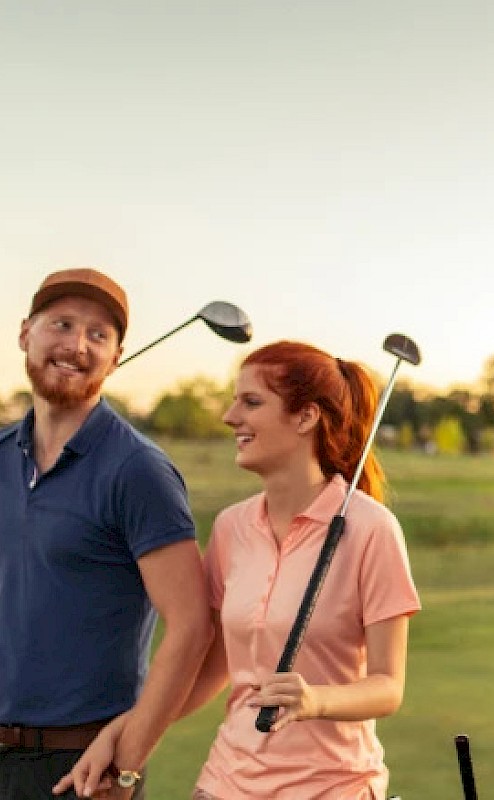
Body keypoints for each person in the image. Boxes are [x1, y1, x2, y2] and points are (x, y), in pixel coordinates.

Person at [56, 340, 421, 799]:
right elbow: (213, 669)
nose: (230, 417)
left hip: (332, 787)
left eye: (251, 402)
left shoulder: (371, 529)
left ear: (306, 417)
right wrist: (126, 727)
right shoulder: (232, 527)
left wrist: (316, 699)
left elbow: (388, 687)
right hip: (225, 782)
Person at [0, 268, 212, 799]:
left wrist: (129, 762)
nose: (77, 345)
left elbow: (192, 626)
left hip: (81, 767)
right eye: (62, 325)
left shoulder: (138, 471)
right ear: (25, 333)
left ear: (115, 358)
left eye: (97, 334)